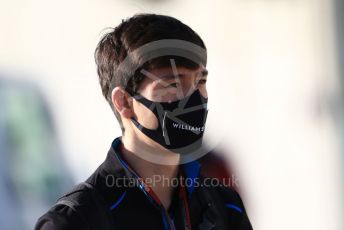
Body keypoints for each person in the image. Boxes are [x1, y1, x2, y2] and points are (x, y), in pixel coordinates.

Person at [35, 13, 253, 230]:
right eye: (173, 84)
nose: (194, 97)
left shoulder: (226, 207)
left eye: (200, 81)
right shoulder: (77, 221)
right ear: (125, 102)